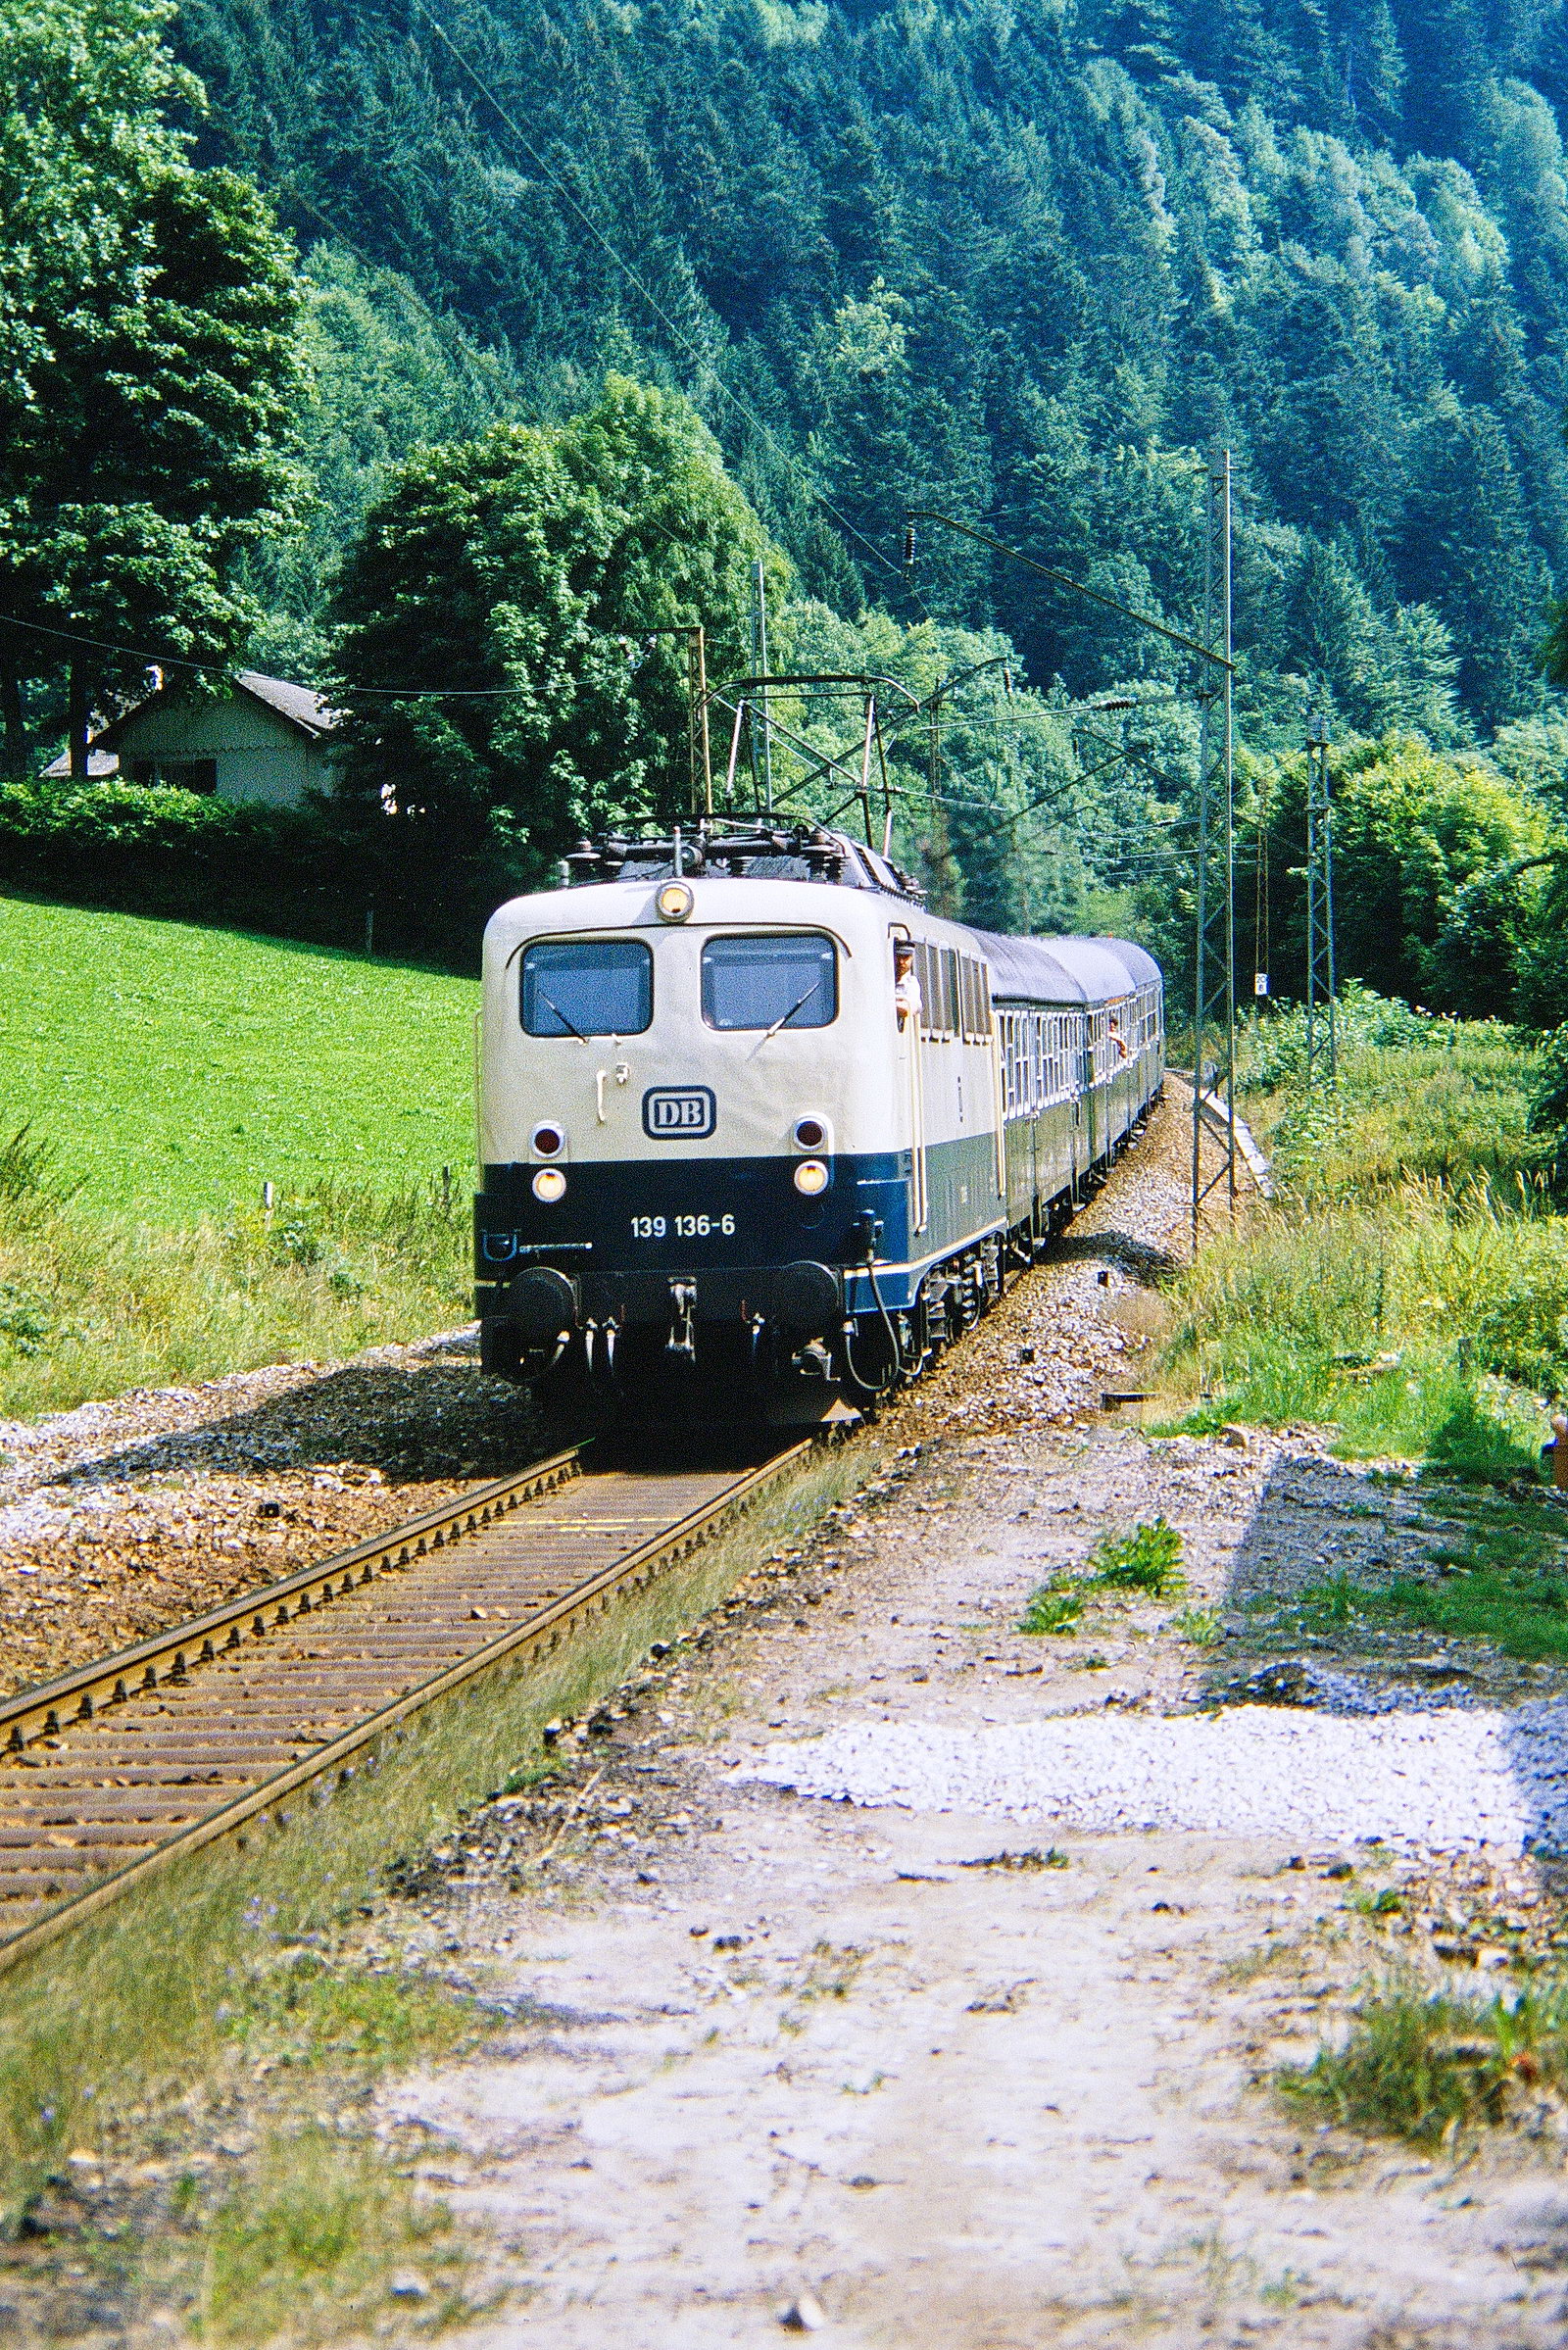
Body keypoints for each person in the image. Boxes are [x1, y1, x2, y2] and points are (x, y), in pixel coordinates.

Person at [894, 937, 922, 1032]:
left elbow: (909, 1008)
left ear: (911, 959)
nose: (901, 962)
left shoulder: (911, 984)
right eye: (898, 957)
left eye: (905, 958)